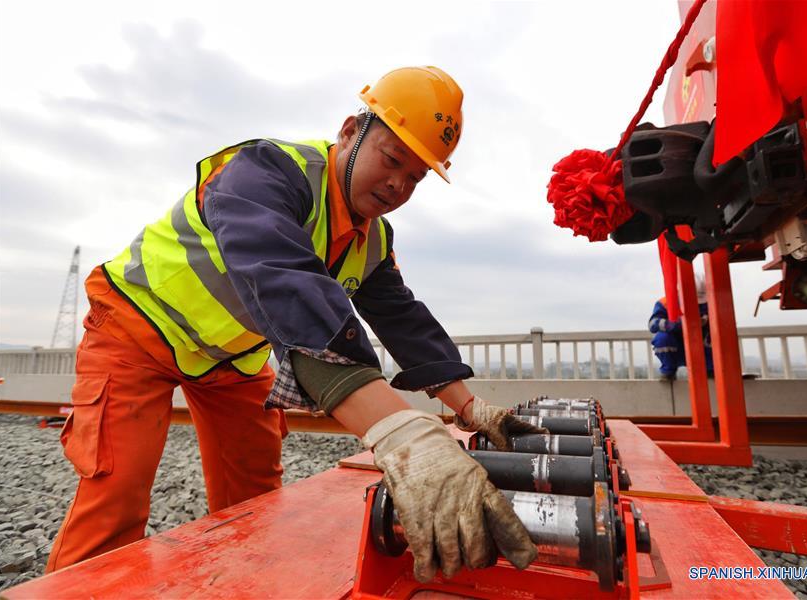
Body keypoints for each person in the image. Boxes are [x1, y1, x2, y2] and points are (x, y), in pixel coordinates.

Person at [46, 66, 545, 583]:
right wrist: (403, 435)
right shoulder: (268, 171)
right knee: (116, 495)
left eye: (417, 177)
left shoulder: (372, 239)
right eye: (392, 159)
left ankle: (244, 586)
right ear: (350, 131)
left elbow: (405, 321)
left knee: (256, 494)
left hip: (228, 361)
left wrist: (471, 408)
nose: (398, 183)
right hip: (136, 328)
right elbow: (283, 281)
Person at [648, 276, 713, 380]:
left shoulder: (710, 302)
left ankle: (710, 370)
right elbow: (652, 324)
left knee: (714, 335)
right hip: (676, 346)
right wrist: (677, 325)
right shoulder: (666, 303)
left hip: (700, 347)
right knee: (662, 338)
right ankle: (669, 371)